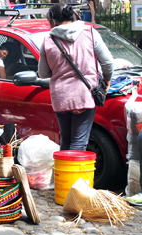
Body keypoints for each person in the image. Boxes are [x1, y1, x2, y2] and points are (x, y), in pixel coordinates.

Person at [38, 5, 113, 151]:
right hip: (84, 96)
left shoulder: (47, 41)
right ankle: (74, 174)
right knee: (79, 143)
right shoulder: (90, 33)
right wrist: (107, 80)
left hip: (61, 99)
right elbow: (108, 62)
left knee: (65, 140)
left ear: (53, 21)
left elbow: (42, 74)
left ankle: (65, 173)